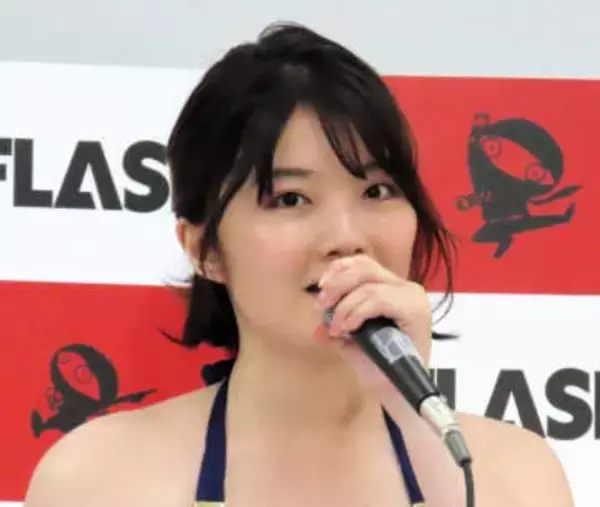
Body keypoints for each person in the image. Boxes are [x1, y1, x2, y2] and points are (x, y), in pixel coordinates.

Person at [25, 23, 573, 507]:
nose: (346, 237)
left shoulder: (515, 476)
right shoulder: (96, 480)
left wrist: (416, 421)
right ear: (203, 249)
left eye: (377, 191)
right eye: (290, 199)